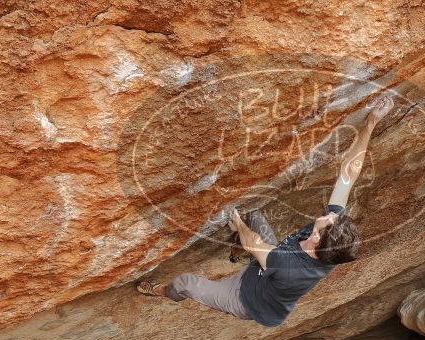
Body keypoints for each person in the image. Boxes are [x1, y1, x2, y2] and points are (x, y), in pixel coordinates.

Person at [137, 96, 394, 327]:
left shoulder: (291, 267)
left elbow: (255, 243)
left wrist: (238, 227)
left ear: (318, 239)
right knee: (256, 217)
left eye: (327, 221)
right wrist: (370, 123)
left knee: (187, 283)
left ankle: (160, 291)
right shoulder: (330, 242)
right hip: (264, 267)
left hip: (246, 299)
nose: (329, 215)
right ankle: (238, 254)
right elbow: (349, 175)